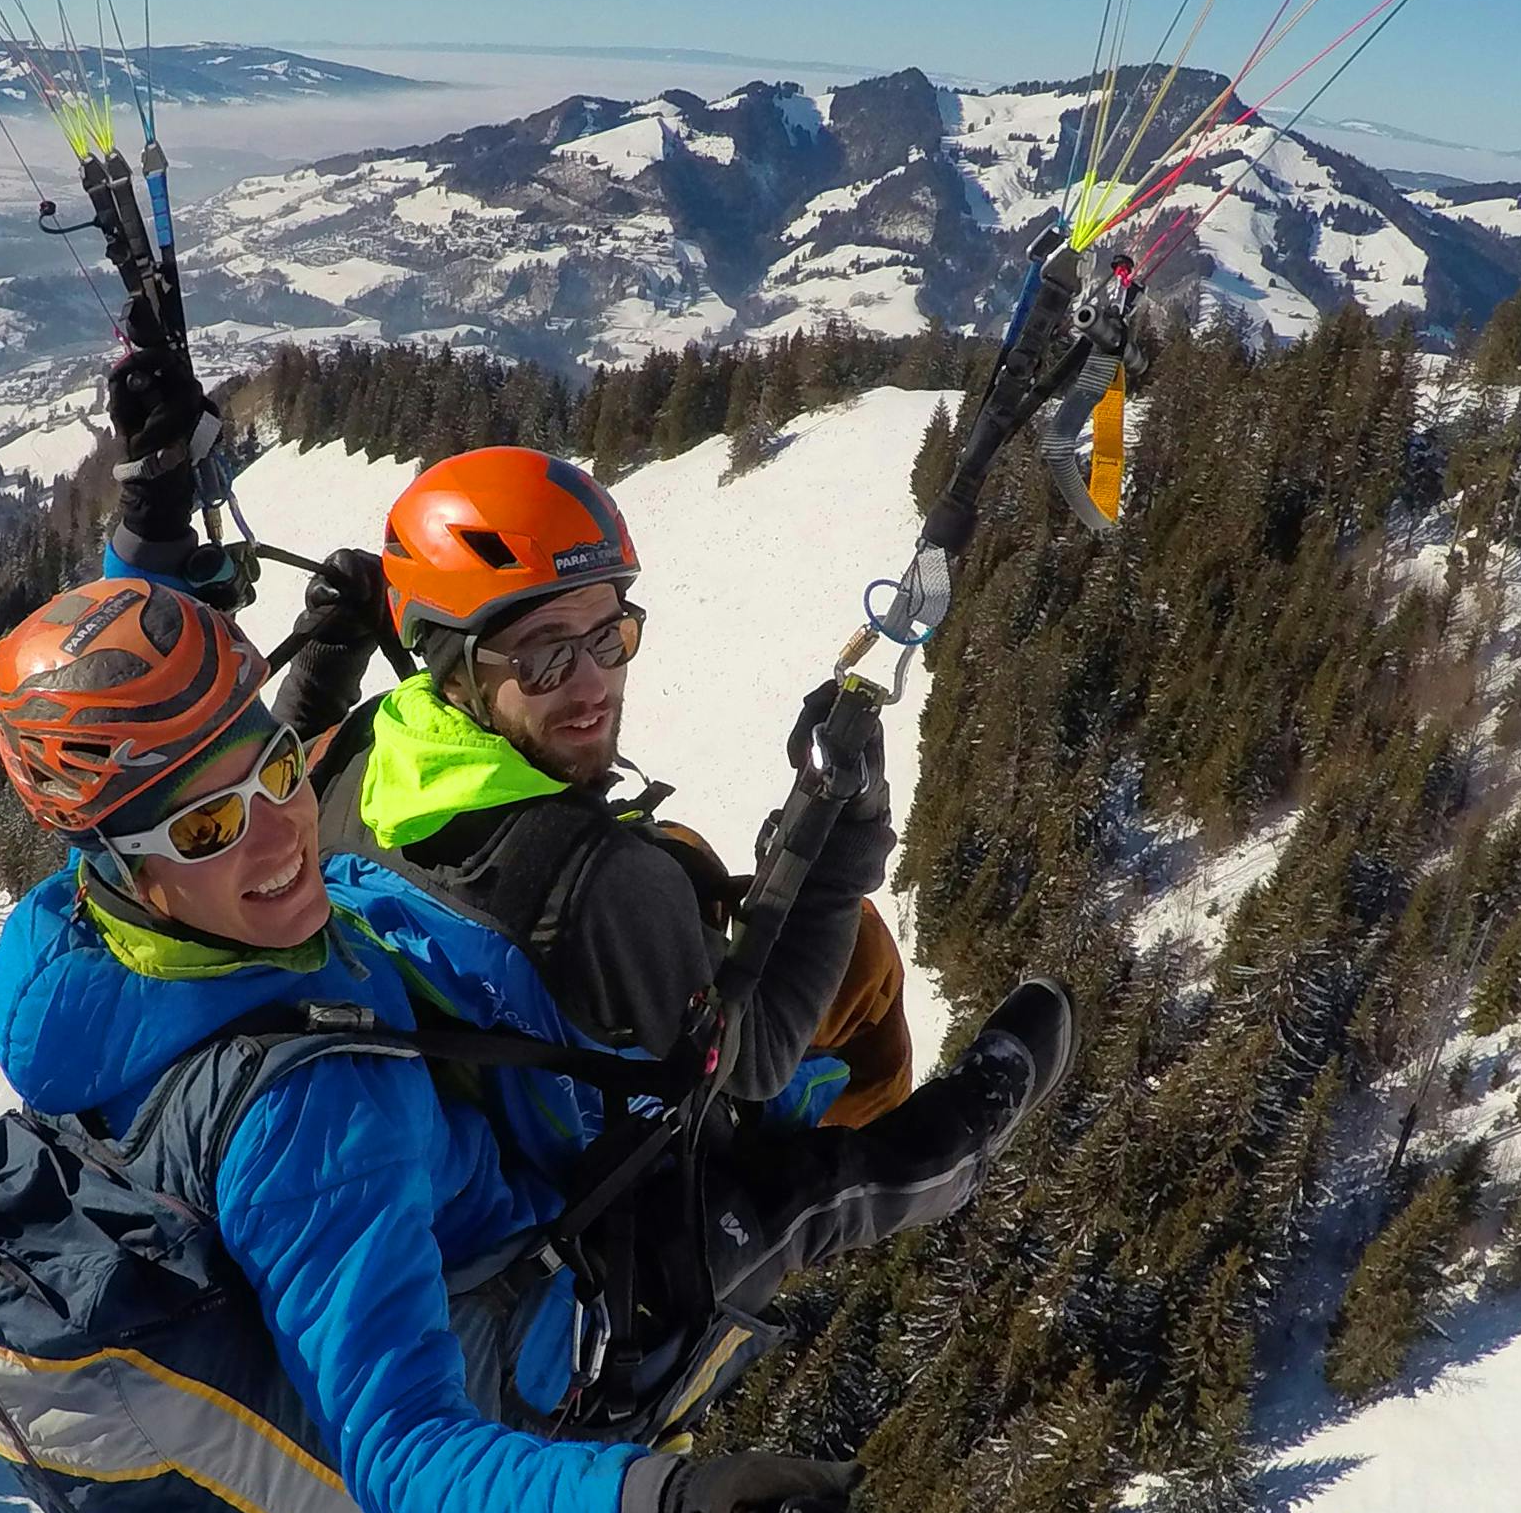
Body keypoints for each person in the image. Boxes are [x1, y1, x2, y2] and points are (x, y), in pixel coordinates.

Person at [0, 573, 1072, 1513]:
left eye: (279, 773)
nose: (278, 837)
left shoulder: (68, 951)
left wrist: (193, 586)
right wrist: (665, 1512)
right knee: (781, 1200)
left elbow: (165, 760)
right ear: (118, 862)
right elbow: (399, 1453)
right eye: (209, 829)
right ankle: (956, 1144)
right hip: (536, 1352)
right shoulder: (318, 1117)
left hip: (445, 1193)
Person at [101, 340, 917, 1131]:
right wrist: (840, 836)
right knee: (862, 965)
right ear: (452, 664)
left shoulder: (367, 749)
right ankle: (865, 1149)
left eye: (609, 636)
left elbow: (288, 763)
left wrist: (331, 651)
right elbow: (757, 1057)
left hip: (483, 1043)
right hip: (619, 1136)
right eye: (544, 655)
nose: (594, 684)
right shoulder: (610, 887)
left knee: (683, 853)